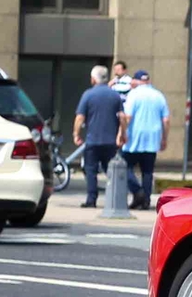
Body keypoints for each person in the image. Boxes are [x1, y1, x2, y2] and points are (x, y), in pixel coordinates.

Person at [72, 64, 122, 208]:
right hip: (110, 141)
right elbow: (122, 117)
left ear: (94, 79)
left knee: (90, 170)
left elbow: (80, 117)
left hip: (93, 140)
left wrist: (76, 134)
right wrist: (121, 134)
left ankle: (91, 199)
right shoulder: (115, 95)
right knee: (111, 170)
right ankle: (116, 199)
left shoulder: (88, 94)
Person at [120, 70, 169, 210]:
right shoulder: (159, 95)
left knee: (125, 167)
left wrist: (122, 133)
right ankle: (145, 200)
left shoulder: (133, 95)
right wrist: (164, 138)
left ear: (137, 81)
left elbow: (127, 117)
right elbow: (166, 120)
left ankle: (137, 191)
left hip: (134, 139)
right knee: (147, 172)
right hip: (152, 140)